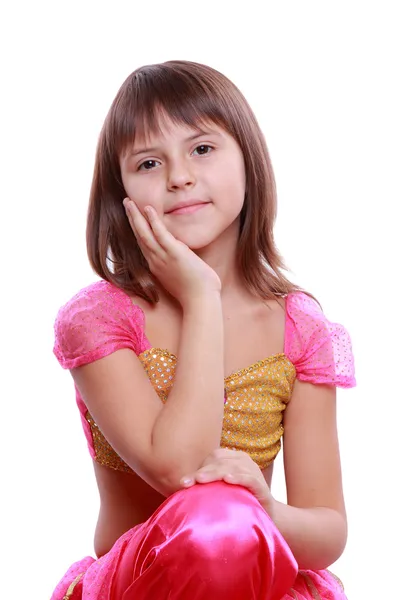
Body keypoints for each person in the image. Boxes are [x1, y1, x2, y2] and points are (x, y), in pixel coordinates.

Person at [50, 60, 356, 600]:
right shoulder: (100, 319)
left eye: (202, 149)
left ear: (248, 159)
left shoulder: (299, 329)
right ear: (118, 190)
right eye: (148, 162)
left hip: (257, 577)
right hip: (138, 583)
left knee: (232, 519)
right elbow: (180, 470)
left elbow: (327, 530)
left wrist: (263, 508)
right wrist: (201, 298)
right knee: (215, 514)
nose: (179, 176)